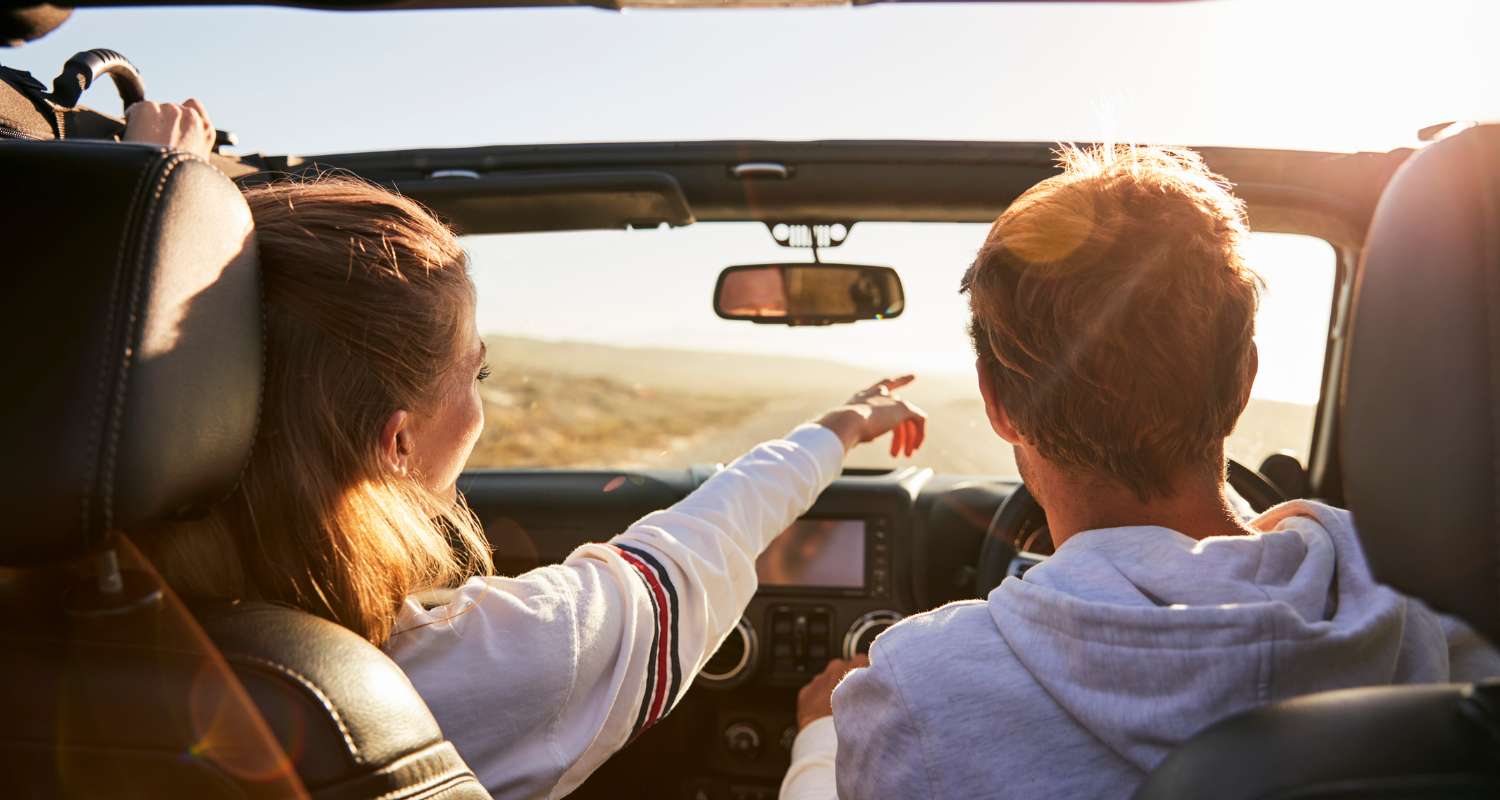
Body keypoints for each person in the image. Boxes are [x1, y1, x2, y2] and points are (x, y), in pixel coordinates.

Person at [121, 102, 929, 798]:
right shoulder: (495, 661)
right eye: (476, 373)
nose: (479, 400)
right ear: (398, 441)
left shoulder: (83, 624)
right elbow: (700, 543)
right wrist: (841, 429)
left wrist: (147, 215)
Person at [781, 144, 1500, 800]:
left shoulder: (915, 691)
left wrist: (818, 738)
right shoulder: (1432, 619)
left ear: (997, 403)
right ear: (1243, 381)